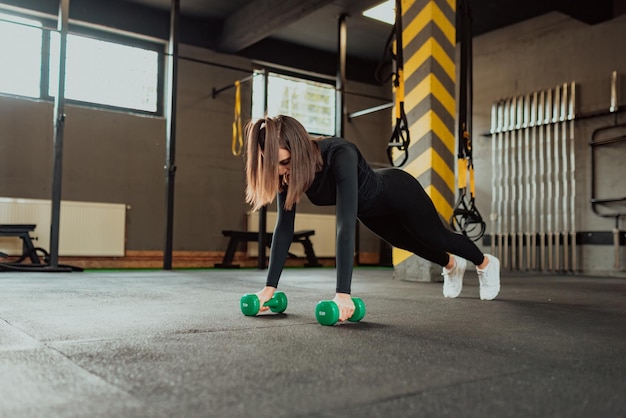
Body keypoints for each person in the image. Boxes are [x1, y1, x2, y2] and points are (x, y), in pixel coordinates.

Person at [244, 115, 500, 322]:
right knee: (409, 244)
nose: (281, 171)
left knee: (436, 236)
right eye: (273, 165)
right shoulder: (287, 175)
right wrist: (269, 288)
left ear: (298, 149)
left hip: (399, 192)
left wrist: (343, 294)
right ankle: (451, 265)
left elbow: (345, 226)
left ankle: (485, 263)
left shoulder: (339, 153)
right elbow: (284, 228)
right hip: (370, 211)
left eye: (285, 162)